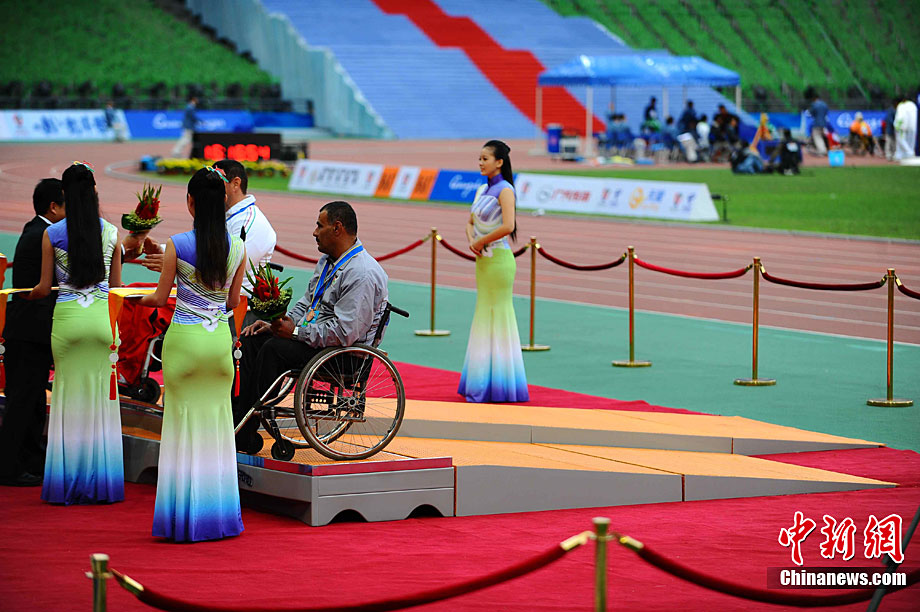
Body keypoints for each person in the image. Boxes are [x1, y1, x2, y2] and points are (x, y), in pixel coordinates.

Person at [137, 166, 246, 542]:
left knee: (181, 428)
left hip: (185, 343)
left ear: (191, 202)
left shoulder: (177, 244)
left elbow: (159, 298)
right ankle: (219, 517)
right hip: (218, 346)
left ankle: (182, 518)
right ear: (223, 201)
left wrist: (134, 299)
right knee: (217, 428)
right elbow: (233, 302)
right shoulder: (238, 247)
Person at [232, 201, 388, 447]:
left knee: (274, 349)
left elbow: (344, 333)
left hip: (342, 354)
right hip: (315, 341)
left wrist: (294, 333)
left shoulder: (362, 273)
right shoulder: (328, 261)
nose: (314, 232)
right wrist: (279, 324)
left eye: (319, 226)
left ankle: (244, 426)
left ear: (337, 228)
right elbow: (307, 303)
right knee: (251, 340)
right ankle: (238, 418)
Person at [29, 162, 124, 504]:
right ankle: (101, 483)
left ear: (65, 194)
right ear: (94, 192)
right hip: (100, 320)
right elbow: (116, 288)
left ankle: (65, 482)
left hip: (68, 321)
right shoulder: (111, 233)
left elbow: (44, 287)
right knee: (100, 400)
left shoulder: (52, 234)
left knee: (67, 398)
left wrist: (24, 295)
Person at [0, 179, 65, 487]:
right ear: (53, 207)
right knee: (22, 402)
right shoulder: (42, 235)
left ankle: (29, 461)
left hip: (29, 330)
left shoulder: (37, 230)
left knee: (33, 400)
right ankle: (8, 467)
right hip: (28, 330)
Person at [458, 140, 529, 403]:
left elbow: (508, 226)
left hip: (499, 261)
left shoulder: (505, 190)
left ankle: (502, 385)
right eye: (479, 158)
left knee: (500, 317)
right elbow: (469, 222)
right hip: (483, 262)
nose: (480, 162)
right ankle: (480, 382)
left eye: (485, 158)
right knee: (483, 317)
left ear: (499, 162)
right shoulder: (481, 190)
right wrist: (472, 240)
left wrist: (482, 241)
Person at [894, 93, 918, 161]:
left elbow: (901, 117)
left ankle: (909, 153)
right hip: (913, 126)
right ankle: (904, 154)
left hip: (903, 126)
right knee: (910, 142)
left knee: (901, 140)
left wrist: (897, 126)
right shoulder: (913, 105)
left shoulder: (902, 106)